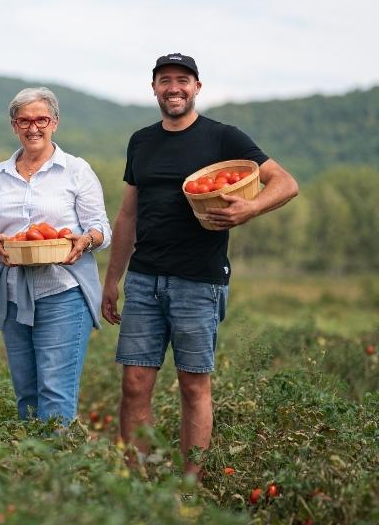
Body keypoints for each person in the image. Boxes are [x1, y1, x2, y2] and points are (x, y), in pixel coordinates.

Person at [101, 53, 298, 477]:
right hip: (144, 279)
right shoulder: (141, 141)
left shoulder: (224, 138)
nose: (174, 87)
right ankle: (140, 480)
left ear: (197, 87)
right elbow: (128, 215)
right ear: (153, 88)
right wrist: (112, 278)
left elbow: (286, 183)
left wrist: (250, 210)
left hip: (199, 281)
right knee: (134, 385)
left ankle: (191, 486)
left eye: (182, 80)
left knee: (193, 385)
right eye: (165, 80)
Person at [0, 87, 110, 424]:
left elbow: (101, 228)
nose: (33, 127)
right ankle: (32, 470)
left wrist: (84, 241)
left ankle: (56, 471)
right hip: (12, 295)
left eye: (41, 119)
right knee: (27, 392)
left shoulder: (76, 171)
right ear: (14, 126)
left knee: (55, 391)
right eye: (24, 121)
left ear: (55, 123)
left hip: (62, 292)